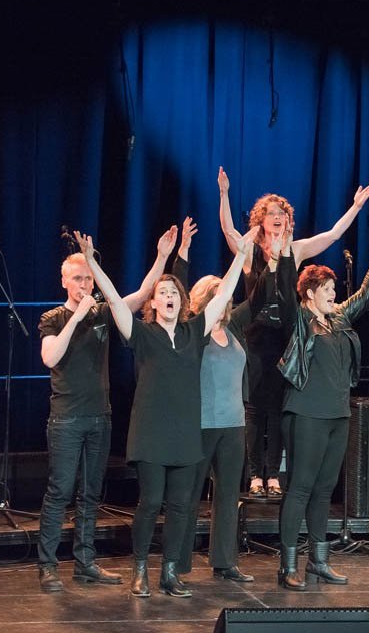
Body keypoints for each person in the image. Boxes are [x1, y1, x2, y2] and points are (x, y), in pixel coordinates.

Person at [77, 226, 253, 598]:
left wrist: (241, 255)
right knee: (151, 502)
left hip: (186, 435)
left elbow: (224, 294)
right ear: (154, 303)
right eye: (163, 293)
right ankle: (140, 567)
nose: (169, 297)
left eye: (174, 292)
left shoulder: (194, 333)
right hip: (151, 433)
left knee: (180, 506)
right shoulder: (143, 334)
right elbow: (115, 301)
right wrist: (93, 264)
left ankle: (170, 571)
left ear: (181, 300)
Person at [218, 167, 369, 498]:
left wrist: (356, 206)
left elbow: (332, 235)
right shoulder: (250, 251)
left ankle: (273, 474)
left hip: (286, 336)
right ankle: (255, 474)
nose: (277, 217)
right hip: (256, 336)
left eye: (281, 213)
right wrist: (224, 194)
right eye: (271, 213)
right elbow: (229, 231)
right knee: (254, 408)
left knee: (278, 407)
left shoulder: (296, 249)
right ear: (261, 220)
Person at [36, 226, 178, 592]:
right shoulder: (53, 317)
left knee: (90, 493)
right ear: (64, 281)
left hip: (100, 416)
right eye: (77, 278)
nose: (84, 283)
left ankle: (85, 562)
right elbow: (50, 357)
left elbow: (141, 295)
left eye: (88, 278)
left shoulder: (102, 312)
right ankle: (48, 565)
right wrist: (76, 317)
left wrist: (162, 256)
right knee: (60, 491)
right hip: (66, 418)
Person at [275, 218, 369, 590]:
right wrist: (286, 252)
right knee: (300, 487)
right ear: (309, 294)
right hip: (306, 413)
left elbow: (364, 293)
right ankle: (288, 565)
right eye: (326, 289)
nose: (333, 293)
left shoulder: (340, 318)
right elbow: (283, 287)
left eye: (333, 288)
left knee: (324, 489)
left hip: (338, 415)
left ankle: (319, 561)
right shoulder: (299, 319)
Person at [171, 218, 290, 584]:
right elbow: (178, 291)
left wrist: (273, 260)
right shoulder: (193, 330)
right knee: (189, 495)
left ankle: (224, 562)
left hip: (233, 426)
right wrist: (182, 254)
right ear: (203, 301)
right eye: (217, 295)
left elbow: (259, 298)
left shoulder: (235, 326)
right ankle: (177, 564)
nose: (224, 299)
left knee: (227, 496)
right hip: (201, 425)